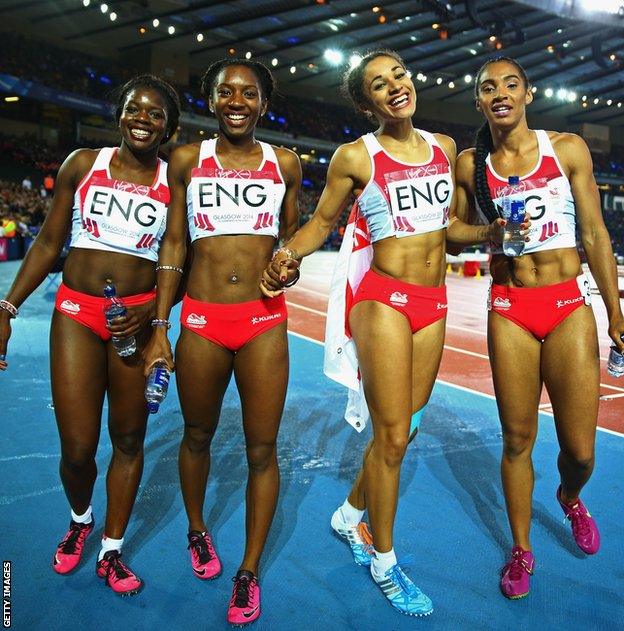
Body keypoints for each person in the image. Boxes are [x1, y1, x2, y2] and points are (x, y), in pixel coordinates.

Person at [260, 49, 503, 617]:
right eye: (378, 85)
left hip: (434, 302)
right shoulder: (356, 156)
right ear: (366, 102)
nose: (394, 86)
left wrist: (494, 229)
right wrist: (284, 256)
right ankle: (385, 561)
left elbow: (452, 231)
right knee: (392, 436)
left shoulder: (444, 149)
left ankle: (348, 514)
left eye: (398, 74)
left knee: (406, 429)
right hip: (383, 301)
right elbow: (321, 223)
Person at [0, 75, 181, 595]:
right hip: (78, 314)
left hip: (137, 322)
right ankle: (81, 519)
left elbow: (178, 259)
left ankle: (112, 549)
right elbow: (50, 241)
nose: (143, 119)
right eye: (134, 109)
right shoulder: (83, 163)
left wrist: (154, 323)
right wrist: (8, 307)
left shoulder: (175, 180)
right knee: (78, 449)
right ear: (119, 113)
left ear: (167, 125)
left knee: (128, 439)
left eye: (154, 114)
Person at [451, 56, 624, 599]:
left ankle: (570, 498)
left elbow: (594, 235)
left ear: (528, 94)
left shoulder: (566, 148)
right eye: (487, 88)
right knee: (517, 438)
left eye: (509, 84)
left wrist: (618, 313)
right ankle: (521, 549)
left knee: (580, 452)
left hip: (567, 304)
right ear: (479, 101)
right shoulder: (469, 163)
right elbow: (452, 234)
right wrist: (490, 229)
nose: (499, 93)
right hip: (510, 309)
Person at [142, 59, 300, 625]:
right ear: (212, 101)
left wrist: (288, 270)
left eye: (249, 93)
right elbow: (174, 246)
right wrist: (161, 326)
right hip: (203, 322)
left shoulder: (285, 163)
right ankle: (197, 529)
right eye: (226, 92)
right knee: (196, 433)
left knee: (262, 448)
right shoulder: (187, 160)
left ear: (263, 103)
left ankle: (249, 570)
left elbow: (290, 246)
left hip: (263, 322)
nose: (237, 100)